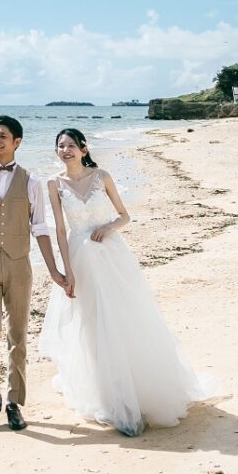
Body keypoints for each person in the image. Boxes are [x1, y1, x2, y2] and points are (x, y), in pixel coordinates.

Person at [39, 127, 213, 436]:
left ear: (83, 148)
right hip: (80, 259)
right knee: (92, 326)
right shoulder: (53, 184)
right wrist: (67, 271)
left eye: (70, 145)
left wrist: (107, 228)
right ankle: (110, 399)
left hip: (111, 256)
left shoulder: (102, 176)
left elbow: (124, 215)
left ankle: (138, 394)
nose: (64, 151)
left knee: (124, 319)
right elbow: (60, 231)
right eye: (60, 146)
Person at [0, 115, 67, 433]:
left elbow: (40, 228)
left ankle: (13, 402)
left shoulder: (32, 182)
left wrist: (54, 270)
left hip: (20, 266)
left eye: (3, 136)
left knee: (17, 337)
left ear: (16, 142)